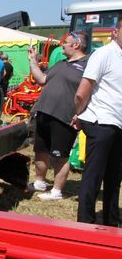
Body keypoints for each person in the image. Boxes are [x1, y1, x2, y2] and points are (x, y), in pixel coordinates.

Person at [27, 30, 89, 200]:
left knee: (60, 156)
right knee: (40, 150)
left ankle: (56, 191)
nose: (62, 45)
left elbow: (91, 92)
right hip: (44, 112)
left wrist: (82, 114)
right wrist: (33, 62)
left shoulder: (88, 64)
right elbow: (42, 80)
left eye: (66, 42)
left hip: (64, 117)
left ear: (76, 45)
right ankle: (39, 182)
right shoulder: (61, 63)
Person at [73, 19, 122, 225]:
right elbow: (83, 90)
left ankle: (111, 221)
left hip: (117, 123)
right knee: (94, 175)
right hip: (101, 121)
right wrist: (78, 113)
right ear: (115, 32)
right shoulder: (103, 54)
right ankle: (86, 222)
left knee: (114, 176)